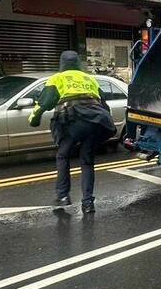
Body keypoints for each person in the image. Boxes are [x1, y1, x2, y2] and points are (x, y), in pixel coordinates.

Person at [28, 51, 116, 214]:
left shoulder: (57, 78)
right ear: (78, 63)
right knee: (87, 161)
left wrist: (34, 119)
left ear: (62, 63)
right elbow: (105, 106)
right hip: (94, 122)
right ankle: (88, 203)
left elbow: (43, 103)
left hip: (71, 123)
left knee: (63, 156)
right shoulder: (89, 78)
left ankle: (63, 196)